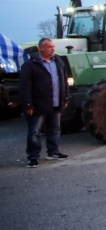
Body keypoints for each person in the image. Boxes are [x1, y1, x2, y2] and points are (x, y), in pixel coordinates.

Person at [19, 38, 70, 168]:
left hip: (56, 102)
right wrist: (28, 105)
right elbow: (25, 87)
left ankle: (53, 152)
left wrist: (65, 98)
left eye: (53, 46)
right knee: (34, 131)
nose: (52, 49)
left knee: (54, 129)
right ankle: (33, 157)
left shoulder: (58, 62)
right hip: (38, 104)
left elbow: (64, 81)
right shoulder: (30, 65)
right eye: (49, 47)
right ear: (40, 48)